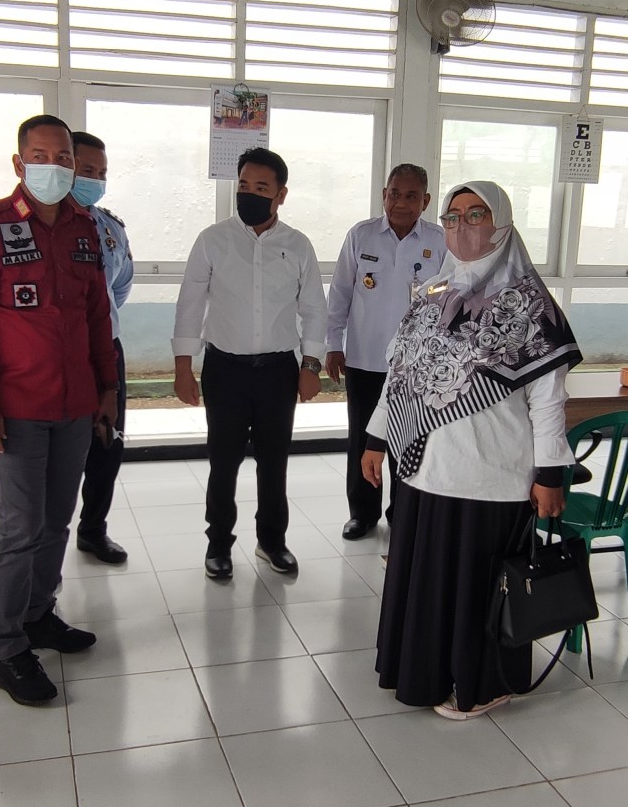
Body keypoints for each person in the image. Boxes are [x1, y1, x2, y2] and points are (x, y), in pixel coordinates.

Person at [362, 181, 582, 720]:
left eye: (476, 214)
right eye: (453, 216)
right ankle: (424, 674)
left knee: (478, 586)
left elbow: (548, 400)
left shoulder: (530, 305)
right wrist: (377, 438)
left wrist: (550, 473)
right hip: (424, 469)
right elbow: (400, 376)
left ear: (502, 225)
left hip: (490, 472)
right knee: (428, 580)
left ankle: (484, 685)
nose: (462, 226)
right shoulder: (431, 295)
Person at [0, 114, 118, 706]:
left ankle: (38, 615)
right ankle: (7, 650)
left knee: (55, 522)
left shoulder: (83, 229)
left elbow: (97, 315)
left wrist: (106, 388)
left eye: (63, 157)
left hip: (74, 404)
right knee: (20, 529)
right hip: (15, 408)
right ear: (20, 164)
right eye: (41, 157)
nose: (55, 166)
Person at [172, 147, 327, 580]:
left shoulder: (298, 245)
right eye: (244, 185)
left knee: (274, 462)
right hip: (225, 370)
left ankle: (272, 542)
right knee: (223, 462)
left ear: (281, 194)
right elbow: (190, 303)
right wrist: (183, 366)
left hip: (278, 371)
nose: (250, 194)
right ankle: (218, 544)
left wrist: (310, 365)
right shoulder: (213, 240)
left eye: (261, 187)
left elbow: (315, 308)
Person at [326, 164, 446, 539]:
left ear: (425, 201)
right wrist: (333, 344)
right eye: (394, 193)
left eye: (411, 196)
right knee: (363, 439)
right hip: (364, 358)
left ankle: (402, 512)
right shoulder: (361, 235)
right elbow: (340, 293)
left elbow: (449, 300)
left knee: (409, 439)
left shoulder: (440, 241)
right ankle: (362, 513)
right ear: (384, 195)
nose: (401, 202)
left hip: (416, 364)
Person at [71, 131, 134, 564]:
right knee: (55, 448)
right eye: (86, 170)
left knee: (107, 443)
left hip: (106, 349)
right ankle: (40, 537)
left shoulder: (109, 227)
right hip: (56, 355)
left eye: (102, 173)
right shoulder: (33, 227)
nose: (95, 180)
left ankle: (93, 529)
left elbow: (121, 285)